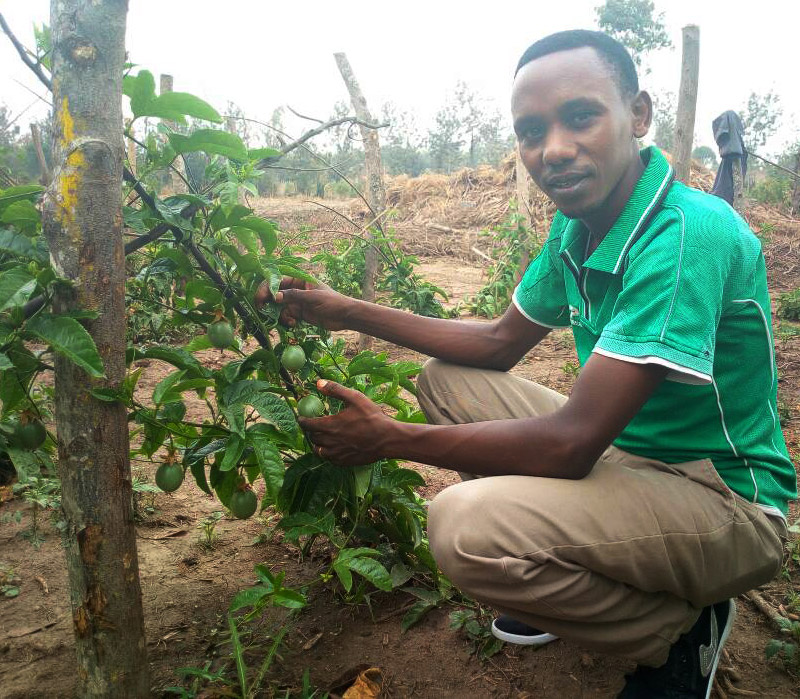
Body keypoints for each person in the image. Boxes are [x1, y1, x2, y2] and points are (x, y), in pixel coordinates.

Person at [255, 29, 796, 699]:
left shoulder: (686, 234)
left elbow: (571, 444)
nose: (554, 149)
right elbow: (497, 343)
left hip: (726, 499)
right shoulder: (578, 224)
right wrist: (346, 309)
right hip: (628, 455)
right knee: (445, 383)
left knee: (463, 528)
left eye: (580, 117)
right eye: (531, 130)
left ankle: (675, 632)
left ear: (639, 115)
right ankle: (582, 572)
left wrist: (391, 439)